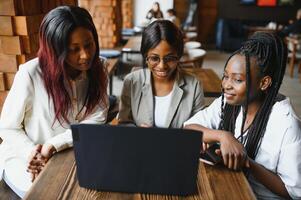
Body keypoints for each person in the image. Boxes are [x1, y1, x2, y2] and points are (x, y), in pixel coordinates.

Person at [0, 6, 108, 198]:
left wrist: (53, 144)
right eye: (74, 49)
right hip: (26, 159)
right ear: (55, 50)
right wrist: (31, 153)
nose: (85, 55)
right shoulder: (30, 74)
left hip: (68, 154)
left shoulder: (99, 67)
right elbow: (7, 128)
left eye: (89, 44)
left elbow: (97, 117)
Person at [184, 32, 301, 199]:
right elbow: (189, 128)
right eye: (225, 76)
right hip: (230, 185)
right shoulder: (229, 102)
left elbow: (294, 191)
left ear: (264, 83)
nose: (226, 85)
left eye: (237, 80)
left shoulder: (287, 126)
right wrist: (223, 136)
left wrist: (247, 162)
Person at [118, 20, 205, 128]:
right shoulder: (131, 82)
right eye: (154, 58)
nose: (162, 66)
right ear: (145, 57)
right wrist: (137, 132)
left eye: (170, 58)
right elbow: (123, 122)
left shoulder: (194, 85)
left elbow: (199, 127)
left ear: (179, 55)